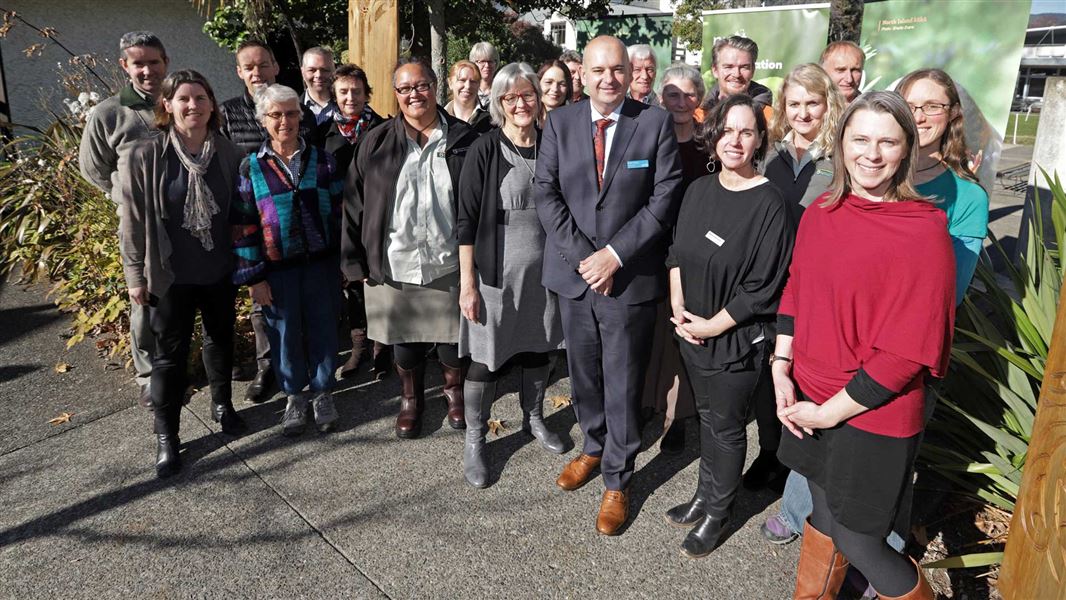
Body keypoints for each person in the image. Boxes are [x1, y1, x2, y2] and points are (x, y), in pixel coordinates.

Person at [762, 73, 989, 576]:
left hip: (871, 411)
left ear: (907, 149)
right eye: (859, 138)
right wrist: (781, 364)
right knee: (822, 517)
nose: (871, 153)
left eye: (888, 141)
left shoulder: (924, 229)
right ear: (840, 143)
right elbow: (798, 286)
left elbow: (908, 351)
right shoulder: (823, 211)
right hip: (809, 394)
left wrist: (831, 413)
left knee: (861, 540)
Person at [534, 35, 682, 536]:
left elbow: (663, 198)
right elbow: (546, 192)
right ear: (584, 75)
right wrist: (586, 260)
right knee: (584, 374)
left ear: (630, 71)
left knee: (622, 379)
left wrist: (615, 255)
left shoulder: (654, 122)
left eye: (617, 69)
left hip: (628, 278)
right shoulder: (559, 122)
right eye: (598, 70)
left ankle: (619, 477)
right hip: (577, 279)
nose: (608, 79)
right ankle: (593, 447)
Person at [664, 93, 793, 558]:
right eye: (727, 130)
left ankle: (720, 511)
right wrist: (678, 305)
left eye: (746, 131)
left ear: (759, 140)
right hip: (691, 331)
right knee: (706, 418)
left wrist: (713, 326)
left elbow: (762, 286)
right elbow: (677, 251)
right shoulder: (699, 189)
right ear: (713, 134)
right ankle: (703, 495)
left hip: (734, 339)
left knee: (727, 428)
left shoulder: (769, 203)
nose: (734, 140)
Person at [341, 58, 480, 439]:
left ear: (436, 88)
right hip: (393, 262)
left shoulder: (466, 140)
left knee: (453, 340)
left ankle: (454, 393)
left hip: (448, 261)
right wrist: (353, 261)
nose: (414, 94)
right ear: (396, 95)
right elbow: (354, 202)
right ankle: (411, 399)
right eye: (404, 89)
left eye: (421, 86)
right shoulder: (376, 141)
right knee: (404, 342)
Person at [118, 70, 247, 478]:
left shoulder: (228, 153)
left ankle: (223, 404)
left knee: (220, 338)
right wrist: (135, 275)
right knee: (168, 358)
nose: (193, 106)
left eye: (201, 98)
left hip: (218, 269)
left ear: (212, 105)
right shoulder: (146, 155)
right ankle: (167, 436)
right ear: (167, 105)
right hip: (169, 275)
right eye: (184, 99)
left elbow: (238, 215)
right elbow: (133, 223)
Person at [457, 63, 568, 488]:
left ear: (539, 100)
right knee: (486, 363)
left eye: (528, 95)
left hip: (547, 274)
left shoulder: (552, 144)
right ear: (499, 103)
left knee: (540, 351)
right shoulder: (485, 148)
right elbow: (466, 221)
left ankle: (534, 418)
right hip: (494, 278)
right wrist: (468, 284)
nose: (521, 103)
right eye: (511, 97)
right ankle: (474, 438)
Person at [232, 84, 344, 437]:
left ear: (301, 116)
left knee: (325, 328)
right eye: (276, 114)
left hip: (321, 264)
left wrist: (343, 262)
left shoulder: (324, 160)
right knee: (283, 334)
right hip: (276, 271)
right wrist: (254, 278)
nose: (285, 121)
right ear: (263, 120)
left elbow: (340, 215)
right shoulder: (251, 167)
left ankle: (323, 391)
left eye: (292, 113)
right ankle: (295, 396)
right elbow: (244, 225)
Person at [220, 39, 321, 404]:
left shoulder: (295, 108)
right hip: (253, 222)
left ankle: (306, 368)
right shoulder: (228, 113)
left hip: (299, 228)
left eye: (263, 65)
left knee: (300, 306)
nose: (257, 72)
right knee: (263, 307)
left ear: (276, 66)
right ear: (239, 72)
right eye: (249, 67)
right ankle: (269, 367)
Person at [79, 31, 169, 410]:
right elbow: (92, 168)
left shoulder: (180, 101)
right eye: (139, 63)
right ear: (125, 66)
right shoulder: (109, 113)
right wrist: (125, 195)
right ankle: (148, 374)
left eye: (154, 61)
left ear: (166, 61)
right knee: (143, 297)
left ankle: (180, 363)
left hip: (185, 218)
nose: (147, 70)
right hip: (141, 224)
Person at [639, 62, 707, 455]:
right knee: (650, 333)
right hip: (650, 251)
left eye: (689, 94)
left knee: (682, 333)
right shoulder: (645, 139)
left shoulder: (709, 145)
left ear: (699, 98)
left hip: (693, 254)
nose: (681, 102)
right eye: (672, 94)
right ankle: (649, 402)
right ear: (660, 97)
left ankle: (679, 415)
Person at [321, 63, 391, 381]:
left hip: (376, 222)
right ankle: (358, 347)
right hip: (340, 224)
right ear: (335, 94)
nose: (351, 97)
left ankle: (381, 349)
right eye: (344, 91)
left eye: (357, 91)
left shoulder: (384, 129)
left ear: (367, 94)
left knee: (379, 285)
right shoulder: (323, 132)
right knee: (353, 289)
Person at [764, 64, 845, 224]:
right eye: (794, 104)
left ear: (828, 105)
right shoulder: (768, 150)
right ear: (783, 106)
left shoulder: (842, 154)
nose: (803, 114)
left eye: (812, 103)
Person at [702, 36, 773, 114]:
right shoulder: (699, 116)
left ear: (753, 70)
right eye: (728, 67)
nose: (737, 74)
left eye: (744, 67)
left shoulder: (771, 119)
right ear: (715, 70)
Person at [444, 60, 491, 133]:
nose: (468, 86)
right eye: (462, 80)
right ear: (450, 83)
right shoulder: (439, 120)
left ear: (478, 84)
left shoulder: (490, 121)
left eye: (473, 81)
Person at [300, 46, 338, 126]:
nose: (319, 75)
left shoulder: (350, 107)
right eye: (312, 70)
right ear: (303, 72)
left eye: (325, 70)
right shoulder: (291, 110)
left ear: (334, 71)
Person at [469, 42, 499, 109]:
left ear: (496, 63)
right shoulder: (468, 90)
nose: (487, 65)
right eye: (482, 61)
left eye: (490, 61)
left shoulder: (501, 90)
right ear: (473, 64)